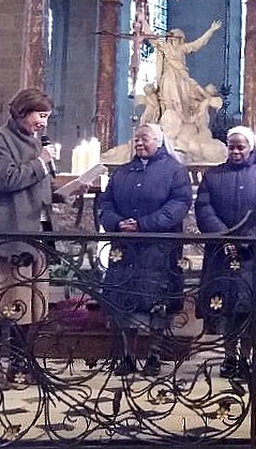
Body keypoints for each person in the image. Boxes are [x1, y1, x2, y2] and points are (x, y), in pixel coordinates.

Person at [0, 88, 61, 389]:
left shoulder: (35, 142)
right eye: (41, 115)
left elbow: (37, 186)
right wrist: (41, 163)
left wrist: (66, 192)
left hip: (33, 237)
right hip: (6, 236)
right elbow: (7, 180)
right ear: (23, 112)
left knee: (28, 305)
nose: (44, 123)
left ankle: (19, 363)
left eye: (47, 117)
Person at [195, 126, 256, 381]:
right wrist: (223, 236)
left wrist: (248, 240)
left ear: (250, 147)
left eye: (240, 147)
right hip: (221, 254)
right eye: (231, 147)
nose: (235, 151)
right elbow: (204, 208)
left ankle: (246, 357)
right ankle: (229, 357)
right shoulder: (213, 176)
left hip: (255, 255)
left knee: (250, 309)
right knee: (226, 310)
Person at [100, 123, 192, 375]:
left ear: (159, 142)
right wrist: (117, 222)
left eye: (145, 139)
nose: (139, 143)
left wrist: (143, 224)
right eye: (136, 139)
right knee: (125, 303)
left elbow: (179, 204)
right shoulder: (122, 172)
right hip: (126, 249)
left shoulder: (175, 171)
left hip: (158, 248)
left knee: (158, 305)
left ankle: (154, 354)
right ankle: (128, 356)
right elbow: (106, 203)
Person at [153, 20, 222, 122]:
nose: (173, 40)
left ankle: (180, 123)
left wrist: (211, 30)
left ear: (180, 39)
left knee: (183, 102)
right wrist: (143, 20)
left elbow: (198, 43)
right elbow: (151, 37)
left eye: (175, 38)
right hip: (168, 78)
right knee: (168, 101)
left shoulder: (182, 48)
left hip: (182, 78)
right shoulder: (165, 47)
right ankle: (167, 123)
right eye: (171, 38)